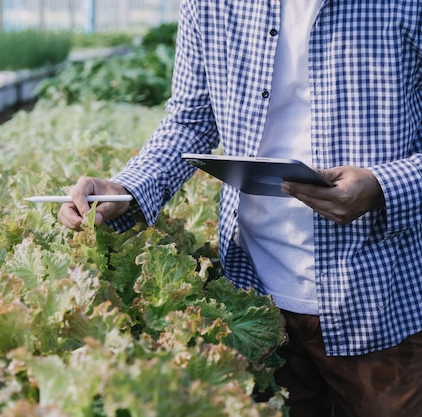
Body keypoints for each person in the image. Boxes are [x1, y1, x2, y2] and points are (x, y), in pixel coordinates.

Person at [58, 1, 422, 416]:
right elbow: (190, 120)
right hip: (253, 299)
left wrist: (383, 186)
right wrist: (124, 189)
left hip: (380, 297)